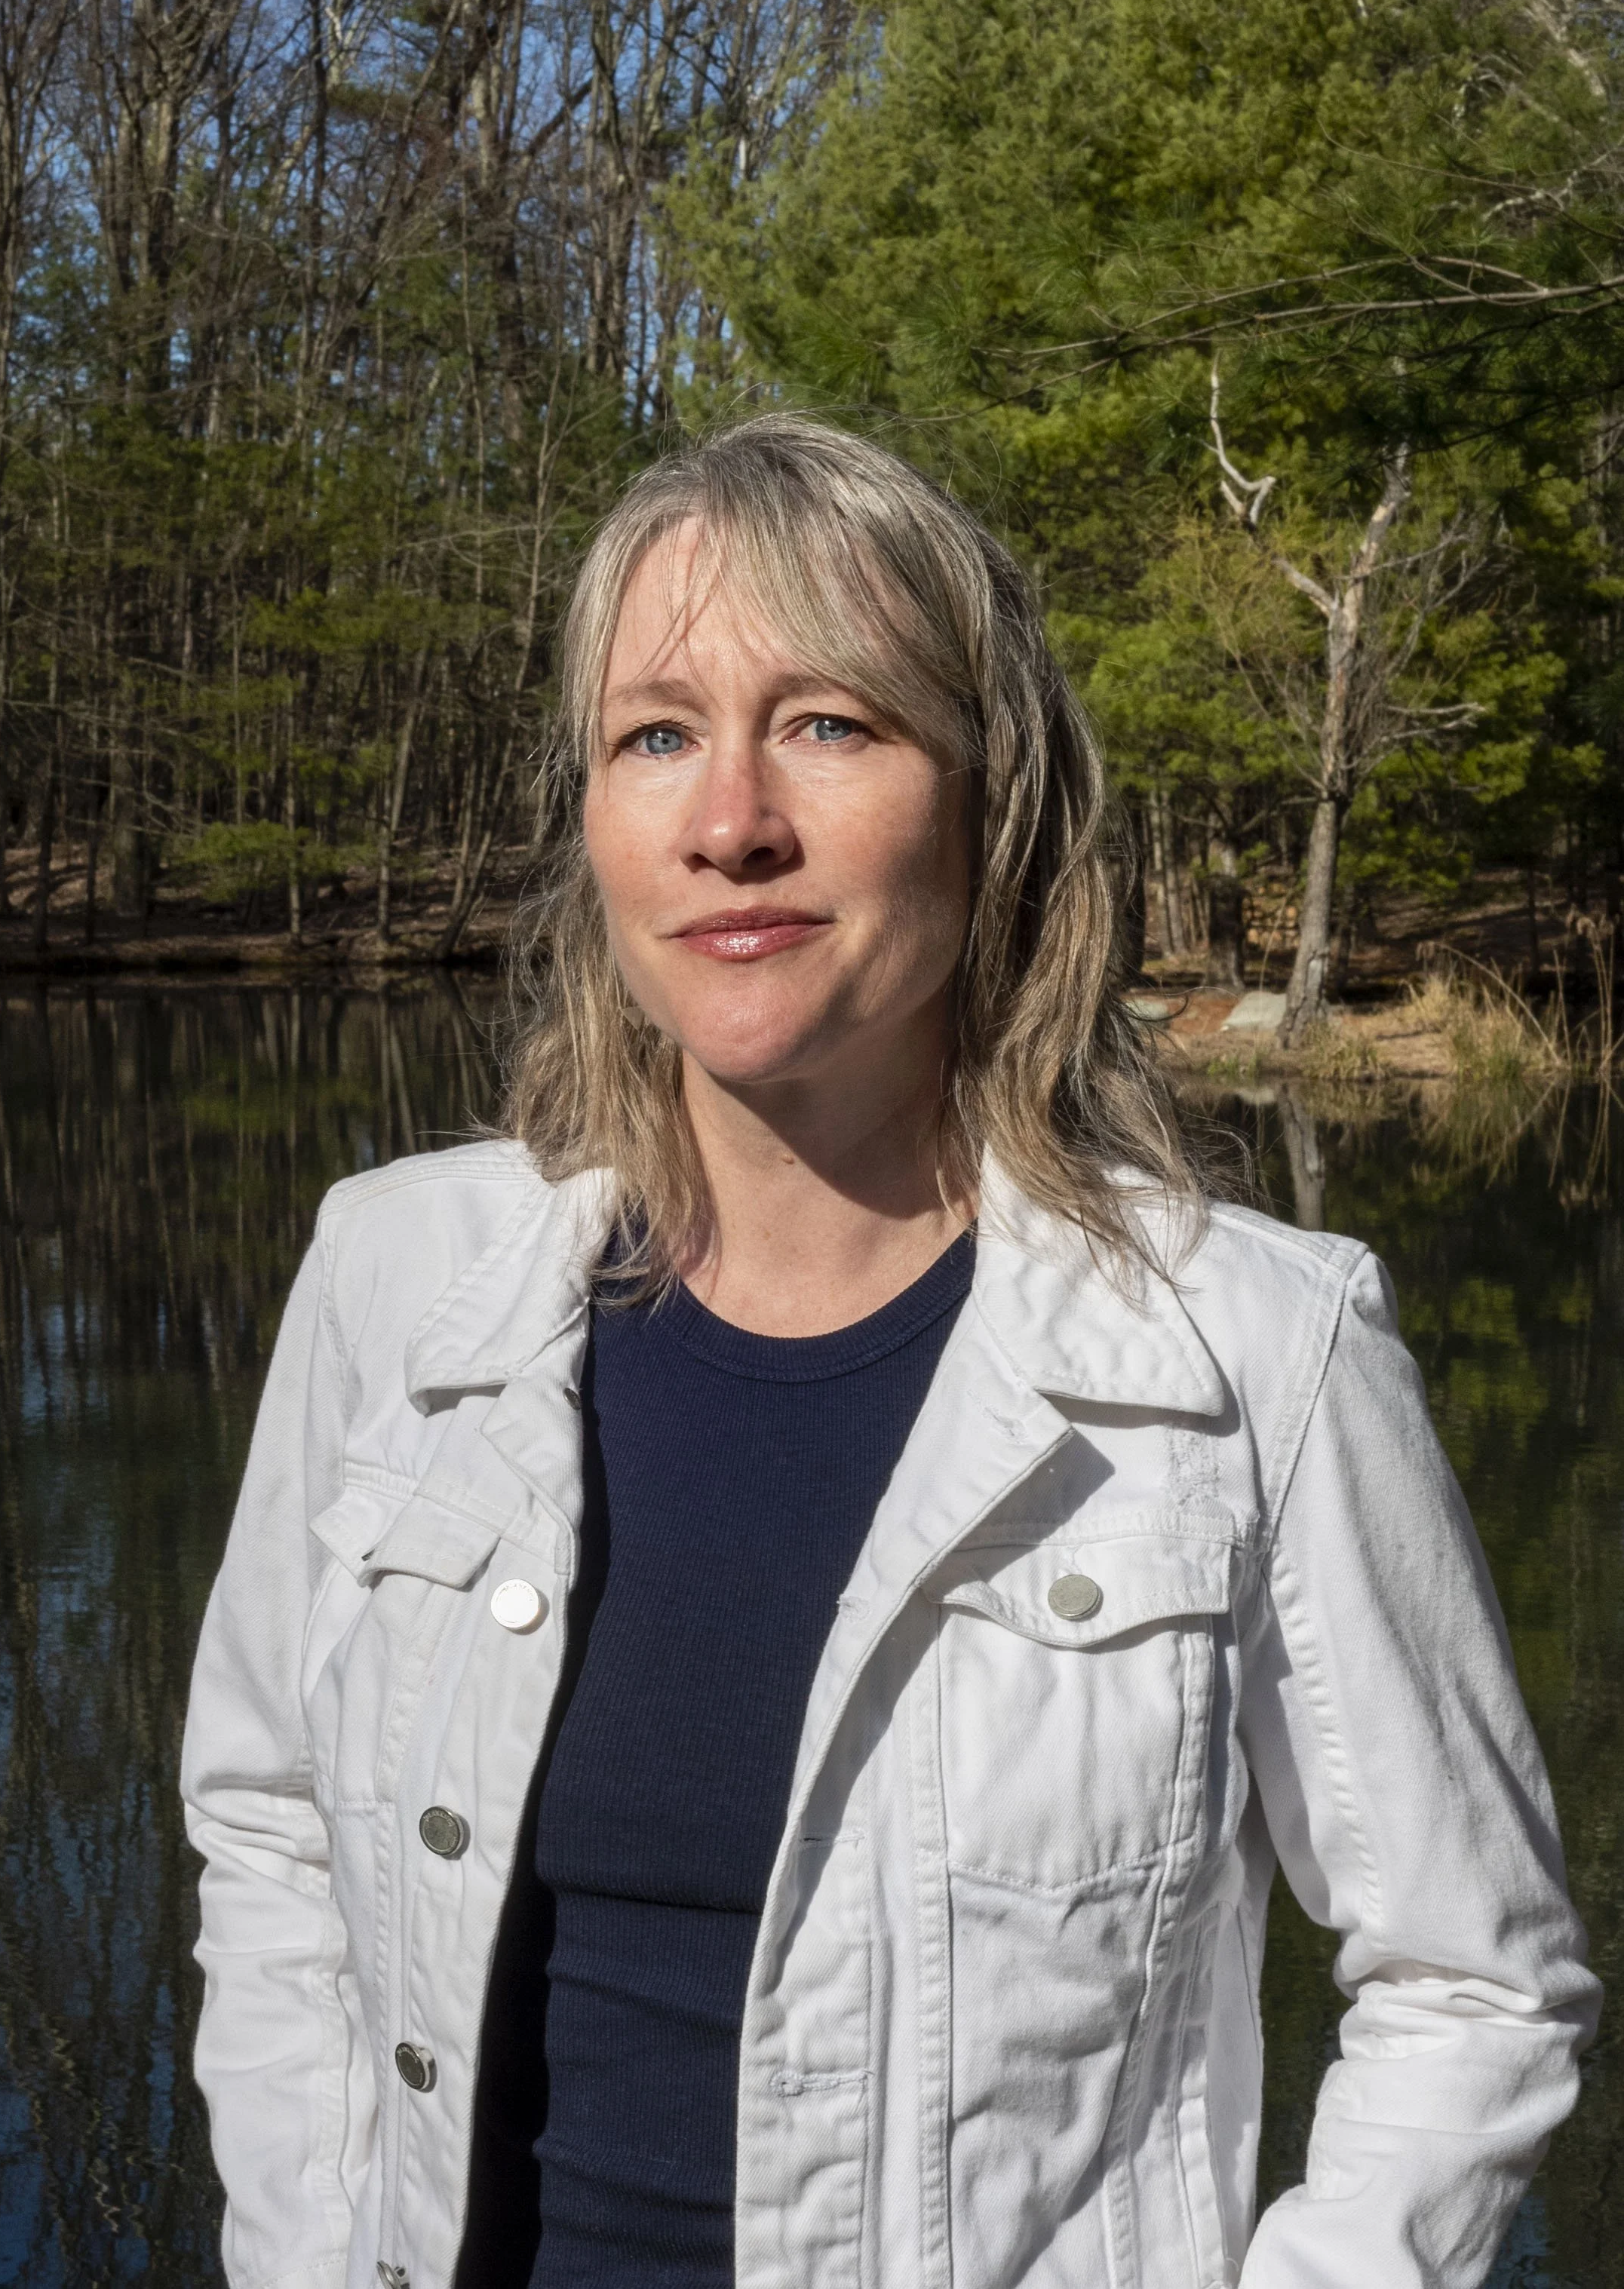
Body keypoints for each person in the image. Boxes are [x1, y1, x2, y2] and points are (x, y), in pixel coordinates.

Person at [180, 415, 1598, 2289]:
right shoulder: (397, 1278)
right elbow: (270, 1827)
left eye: (830, 722)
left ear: (988, 803)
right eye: (655, 732)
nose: (728, 819)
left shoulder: (1254, 1355)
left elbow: (1468, 1984)